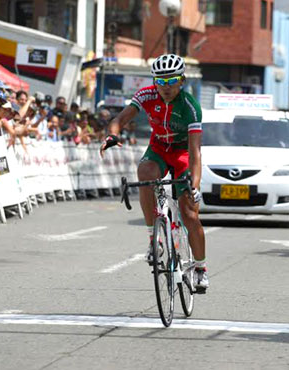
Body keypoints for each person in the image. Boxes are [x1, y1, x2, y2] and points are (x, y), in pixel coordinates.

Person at [100, 53, 208, 291]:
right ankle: (153, 238)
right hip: (158, 148)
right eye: (160, 81)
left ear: (182, 80)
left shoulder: (191, 106)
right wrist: (113, 135)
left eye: (171, 81)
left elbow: (195, 152)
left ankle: (200, 268)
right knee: (145, 174)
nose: (166, 87)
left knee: (189, 214)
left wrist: (195, 186)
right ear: (154, 81)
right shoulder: (146, 95)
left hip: (182, 153)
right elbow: (120, 118)